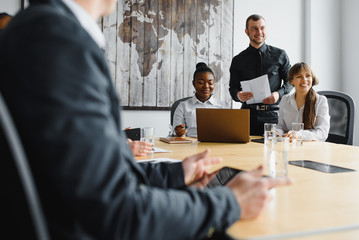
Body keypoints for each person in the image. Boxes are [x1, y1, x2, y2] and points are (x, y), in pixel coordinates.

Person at [0, 1, 292, 239]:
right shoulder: (57, 42)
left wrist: (174, 175)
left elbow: (99, 178)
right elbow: (117, 212)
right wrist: (228, 203)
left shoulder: (46, 30)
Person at [229, 14, 293, 136]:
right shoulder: (238, 60)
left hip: (274, 115)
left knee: (273, 151)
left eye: (262, 28)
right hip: (248, 116)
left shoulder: (280, 54)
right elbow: (233, 89)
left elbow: (290, 82)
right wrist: (238, 95)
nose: (259, 32)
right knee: (246, 153)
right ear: (246, 32)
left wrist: (278, 94)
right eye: (254, 28)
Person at [276, 62, 330, 141]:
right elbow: (282, 127)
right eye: (299, 76)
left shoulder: (321, 101)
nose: (304, 80)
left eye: (308, 76)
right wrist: (276, 132)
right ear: (291, 81)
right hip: (291, 146)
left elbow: (322, 133)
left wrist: (298, 135)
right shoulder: (285, 100)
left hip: (311, 149)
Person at [173, 62, 224, 137]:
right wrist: (178, 133)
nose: (206, 86)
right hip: (191, 145)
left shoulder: (222, 106)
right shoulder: (183, 106)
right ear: (194, 84)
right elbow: (176, 133)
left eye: (210, 83)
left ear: (214, 84)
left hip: (215, 145)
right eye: (201, 83)